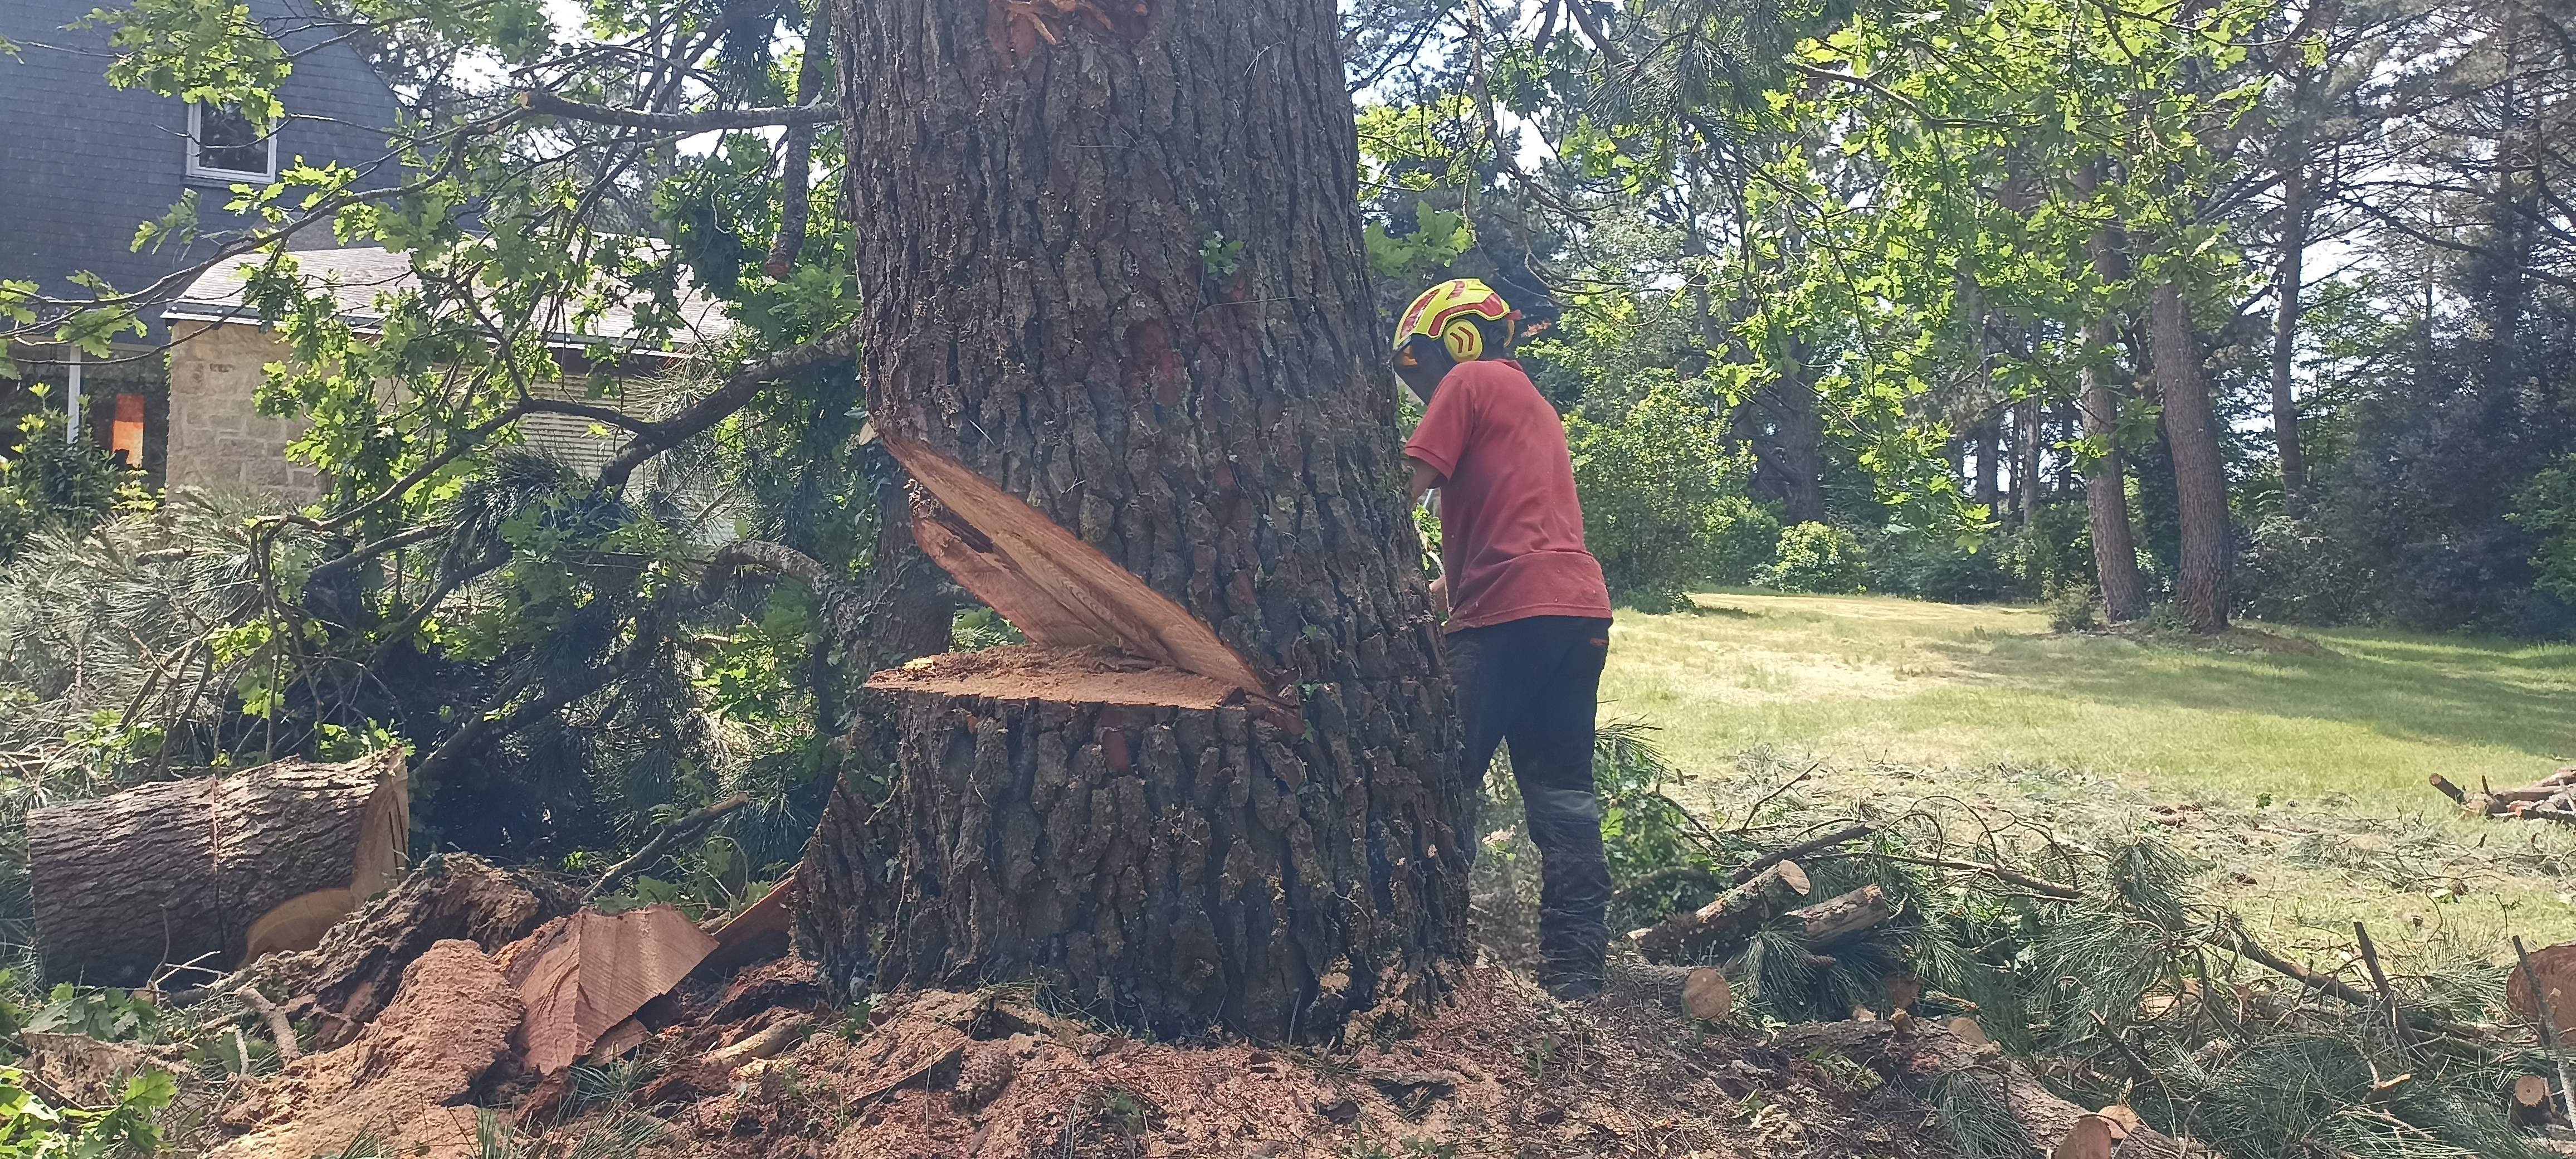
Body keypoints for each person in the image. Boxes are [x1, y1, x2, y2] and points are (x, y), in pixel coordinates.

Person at [1394, 277, 1615, 1000]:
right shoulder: (1532, 405)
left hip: (1509, 619)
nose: (1423, 392)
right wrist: (1426, 600)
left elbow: (1403, 487)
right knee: (1563, 799)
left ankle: (1428, 952)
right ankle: (1575, 975)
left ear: (1452, 341)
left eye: (1417, 368)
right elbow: (1513, 540)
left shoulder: (1469, 382)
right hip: (1576, 613)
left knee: (1434, 777)